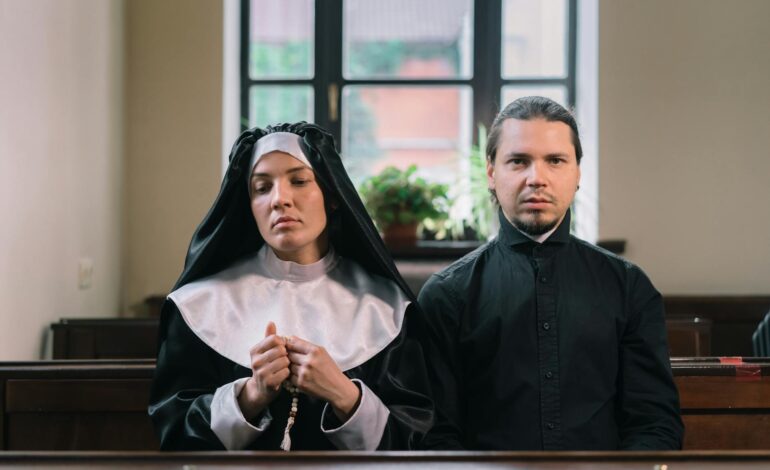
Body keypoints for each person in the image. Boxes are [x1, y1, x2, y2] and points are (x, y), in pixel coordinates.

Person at [418, 96, 683, 450]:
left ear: (577, 174)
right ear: (492, 173)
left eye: (555, 161)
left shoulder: (628, 286)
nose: (536, 178)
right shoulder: (447, 295)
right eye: (518, 161)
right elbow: (436, 436)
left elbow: (654, 425)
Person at [148, 122, 434, 451]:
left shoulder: (385, 308)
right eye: (261, 187)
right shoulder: (198, 306)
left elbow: (415, 441)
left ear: (333, 197)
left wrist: (344, 394)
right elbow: (175, 436)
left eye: (298, 181)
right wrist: (250, 396)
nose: (280, 199)